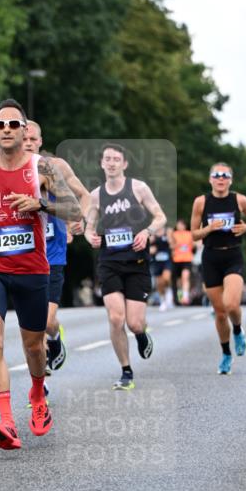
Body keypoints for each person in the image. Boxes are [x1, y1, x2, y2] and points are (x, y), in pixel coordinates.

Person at [0, 99, 83, 448]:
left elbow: (73, 207)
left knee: (33, 345)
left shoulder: (42, 168)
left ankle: (37, 394)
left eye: (13, 125)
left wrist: (40, 204)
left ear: (24, 130)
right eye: (0, 125)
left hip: (32, 267)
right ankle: (6, 422)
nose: (6, 130)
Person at [85, 143, 167, 390]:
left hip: (137, 263)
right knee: (116, 317)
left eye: (116, 159)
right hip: (109, 262)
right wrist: (91, 237)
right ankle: (126, 370)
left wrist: (147, 231)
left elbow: (160, 216)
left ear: (124, 164)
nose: (111, 163)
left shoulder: (138, 188)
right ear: (102, 163)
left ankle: (141, 334)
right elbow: (89, 227)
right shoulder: (95, 195)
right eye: (107, 159)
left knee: (134, 323)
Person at [23, 122, 90, 376]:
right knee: (30, 326)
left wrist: (77, 220)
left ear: (40, 141)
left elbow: (84, 196)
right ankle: (40, 385)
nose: (28, 143)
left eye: (33, 139)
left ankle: (54, 337)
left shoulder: (57, 167)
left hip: (52, 254)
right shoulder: (7, 169)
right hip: (23, 256)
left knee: (46, 321)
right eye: (24, 138)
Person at [190, 163, 246, 374]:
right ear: (210, 179)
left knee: (231, 305)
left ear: (231, 180)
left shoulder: (239, 200)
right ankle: (225, 354)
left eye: (225, 175)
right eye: (217, 175)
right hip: (210, 257)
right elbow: (193, 234)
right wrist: (208, 228)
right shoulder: (201, 202)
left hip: (233, 254)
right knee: (220, 313)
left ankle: (238, 330)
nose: (221, 178)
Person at [149, 225, 174, 311]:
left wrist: (170, 239)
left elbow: (173, 245)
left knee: (166, 278)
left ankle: (169, 293)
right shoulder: (152, 232)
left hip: (167, 260)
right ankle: (163, 300)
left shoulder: (168, 231)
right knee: (159, 283)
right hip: (156, 261)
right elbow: (148, 247)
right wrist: (151, 249)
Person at [170, 219, 195, 305]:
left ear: (184, 225)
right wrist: (176, 245)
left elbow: (195, 244)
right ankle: (180, 297)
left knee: (185, 277)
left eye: (181, 225)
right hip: (176, 260)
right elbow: (171, 246)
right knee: (179, 281)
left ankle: (185, 297)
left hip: (187, 259)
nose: (180, 226)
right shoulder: (174, 234)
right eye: (178, 225)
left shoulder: (189, 234)